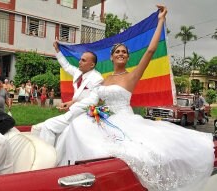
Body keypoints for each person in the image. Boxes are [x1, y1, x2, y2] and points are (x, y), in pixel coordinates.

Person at [56, 6, 214, 191]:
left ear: (128, 57)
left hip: (126, 120)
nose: (121, 54)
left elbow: (150, 51)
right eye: (118, 52)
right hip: (106, 119)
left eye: (124, 52)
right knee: (78, 125)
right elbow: (93, 98)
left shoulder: (132, 76)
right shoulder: (105, 79)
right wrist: (73, 102)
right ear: (112, 57)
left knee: (138, 153)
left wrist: (161, 20)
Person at [31, 39, 103, 145]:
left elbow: (92, 101)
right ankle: (40, 154)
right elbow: (66, 66)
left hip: (83, 114)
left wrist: (71, 104)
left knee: (47, 126)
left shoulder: (97, 78)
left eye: (83, 60)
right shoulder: (78, 72)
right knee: (37, 128)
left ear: (92, 65)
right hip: (73, 112)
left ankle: (47, 158)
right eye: (80, 59)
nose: (79, 62)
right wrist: (57, 50)